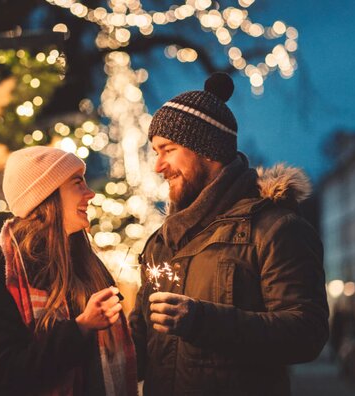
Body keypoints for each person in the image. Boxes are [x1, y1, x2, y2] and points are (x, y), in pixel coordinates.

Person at [129, 73, 329, 395]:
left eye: (168, 149)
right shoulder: (162, 244)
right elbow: (140, 345)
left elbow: (307, 333)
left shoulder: (275, 229)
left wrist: (202, 321)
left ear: (207, 150)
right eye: (155, 152)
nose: (158, 166)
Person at [0, 146, 137, 395]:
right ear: (46, 195)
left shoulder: (87, 265)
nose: (90, 194)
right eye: (77, 183)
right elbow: (7, 372)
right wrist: (81, 327)